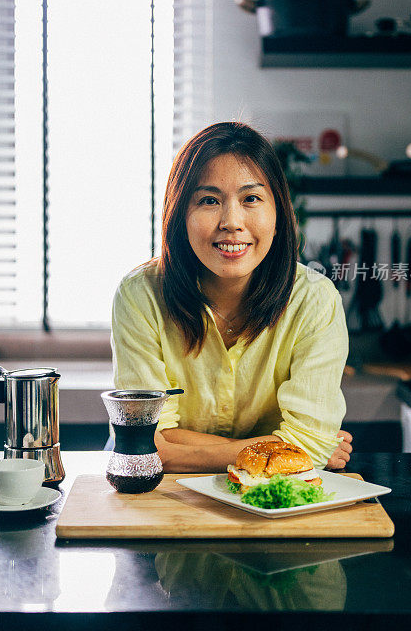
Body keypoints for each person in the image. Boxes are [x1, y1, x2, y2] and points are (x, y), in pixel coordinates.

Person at [111, 122, 352, 473]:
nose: (232, 222)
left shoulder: (315, 301)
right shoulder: (139, 295)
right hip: (160, 491)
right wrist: (284, 449)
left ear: (278, 212)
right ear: (180, 213)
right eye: (209, 200)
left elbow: (309, 444)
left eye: (251, 198)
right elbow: (144, 444)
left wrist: (178, 447)